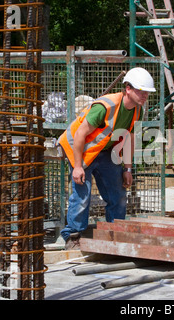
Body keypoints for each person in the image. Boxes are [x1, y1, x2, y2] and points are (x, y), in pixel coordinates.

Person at [58, 67, 156, 250]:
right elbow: (80, 135)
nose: (144, 96)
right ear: (128, 88)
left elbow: (129, 139)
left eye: (147, 93)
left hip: (105, 151)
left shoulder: (136, 110)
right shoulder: (105, 106)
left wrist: (127, 169)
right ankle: (73, 236)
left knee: (118, 194)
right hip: (81, 148)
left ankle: (115, 233)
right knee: (82, 195)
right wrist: (78, 167)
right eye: (141, 91)